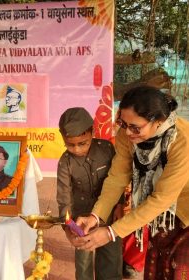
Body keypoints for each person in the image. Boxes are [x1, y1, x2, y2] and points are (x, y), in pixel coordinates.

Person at [72, 86, 189, 279]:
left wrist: (111, 232)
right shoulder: (127, 135)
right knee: (156, 270)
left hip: (183, 212)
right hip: (159, 217)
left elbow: (162, 198)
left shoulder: (181, 141)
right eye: (123, 123)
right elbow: (117, 177)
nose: (128, 132)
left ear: (158, 121)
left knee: (178, 271)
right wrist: (96, 215)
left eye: (135, 127)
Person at [57, 107, 123, 280]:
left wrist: (120, 205)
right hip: (81, 222)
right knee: (83, 264)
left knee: (111, 259)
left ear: (92, 132)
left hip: (109, 216)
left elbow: (117, 179)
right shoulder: (65, 162)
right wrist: (68, 228)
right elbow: (64, 198)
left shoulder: (107, 149)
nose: (77, 149)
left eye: (83, 143)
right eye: (70, 144)